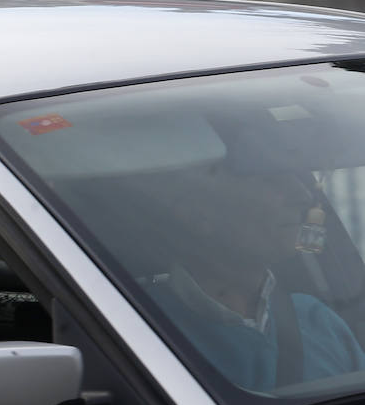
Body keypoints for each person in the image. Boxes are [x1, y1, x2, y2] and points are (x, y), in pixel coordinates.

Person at [147, 164, 365, 393]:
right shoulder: (144, 328)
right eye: (269, 178)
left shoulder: (318, 319)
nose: (302, 195)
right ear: (198, 214)